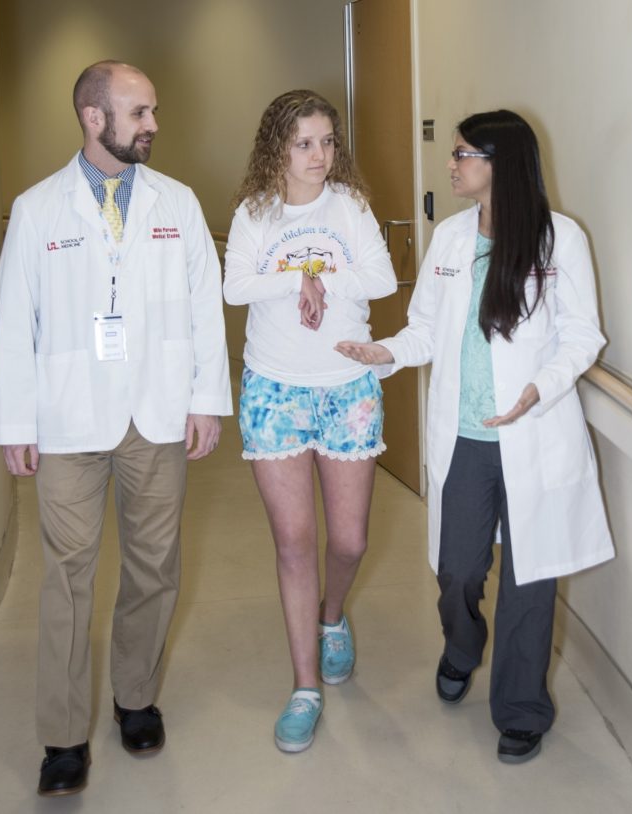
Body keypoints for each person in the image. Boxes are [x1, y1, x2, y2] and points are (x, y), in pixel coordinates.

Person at [337, 110, 614, 764]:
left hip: (534, 433)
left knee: (531, 579)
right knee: (458, 569)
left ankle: (522, 709)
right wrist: (386, 352)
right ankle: (462, 646)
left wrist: (540, 388)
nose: (452, 163)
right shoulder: (451, 239)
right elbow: (426, 329)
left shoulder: (560, 239)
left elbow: (583, 336)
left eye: (463, 153)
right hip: (465, 438)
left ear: (501, 162)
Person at [0, 60, 232, 795]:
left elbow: (203, 310)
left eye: (153, 111)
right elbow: (16, 322)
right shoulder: (37, 210)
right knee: (65, 576)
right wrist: (13, 421)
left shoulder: (178, 204)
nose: (154, 124)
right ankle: (62, 736)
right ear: (94, 118)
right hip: (67, 419)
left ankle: (135, 699)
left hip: (155, 413)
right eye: (140, 113)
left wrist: (205, 401)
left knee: (154, 566)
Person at [224, 89, 396, 753]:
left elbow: (380, 279)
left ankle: (332, 618)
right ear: (277, 147)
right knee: (294, 541)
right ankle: (303, 686)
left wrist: (318, 269)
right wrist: (298, 280)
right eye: (304, 143)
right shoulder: (253, 213)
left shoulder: (349, 205)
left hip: (347, 385)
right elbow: (235, 286)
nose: (320, 155)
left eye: (327, 141)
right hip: (274, 389)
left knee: (348, 541)